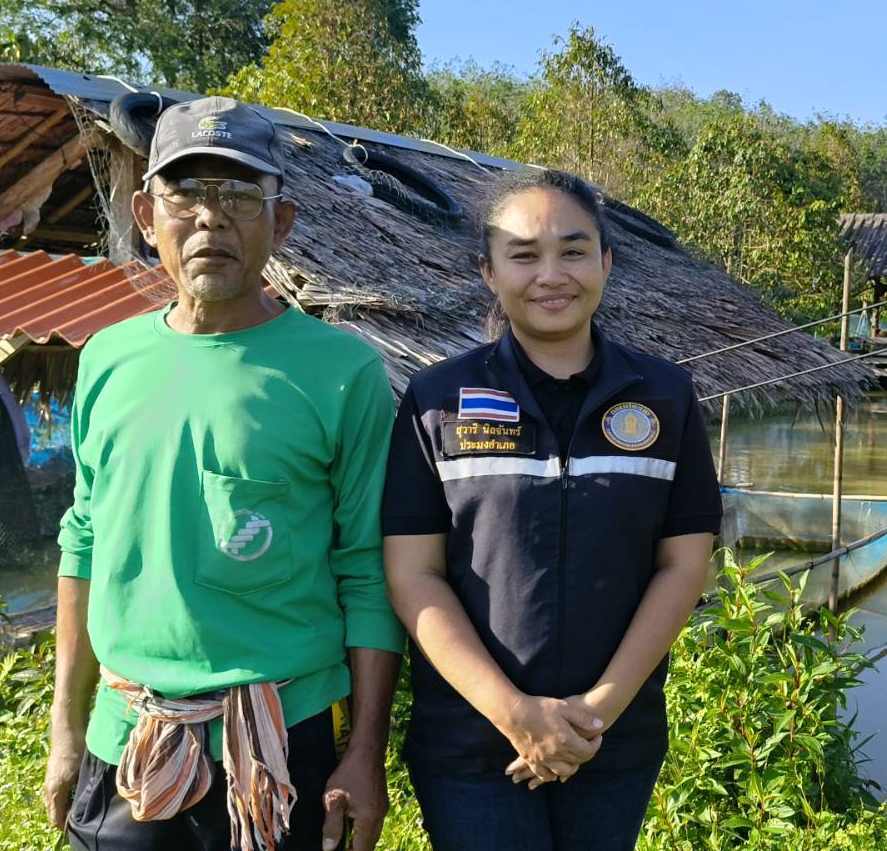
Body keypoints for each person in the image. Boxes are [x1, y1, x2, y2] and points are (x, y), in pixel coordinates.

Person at [43, 96, 405, 851]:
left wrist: (365, 752)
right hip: (125, 738)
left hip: (283, 746)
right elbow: (83, 543)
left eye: (241, 196)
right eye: (185, 195)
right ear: (147, 217)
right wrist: (66, 730)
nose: (211, 219)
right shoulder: (107, 360)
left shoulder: (342, 374)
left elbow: (369, 571)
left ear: (282, 223)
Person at [382, 169, 720, 851]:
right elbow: (413, 573)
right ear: (489, 271)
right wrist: (514, 713)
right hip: (473, 743)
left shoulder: (665, 395)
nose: (551, 275)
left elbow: (684, 565)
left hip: (612, 740)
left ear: (606, 262)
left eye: (573, 250)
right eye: (523, 255)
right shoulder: (437, 400)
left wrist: (597, 711)